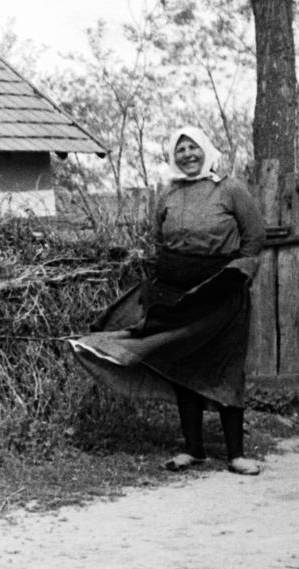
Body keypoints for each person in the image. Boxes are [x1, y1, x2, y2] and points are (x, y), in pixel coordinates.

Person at [71, 126, 267, 476]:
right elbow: (158, 238)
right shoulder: (168, 193)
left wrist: (239, 273)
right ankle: (194, 450)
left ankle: (236, 454)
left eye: (194, 148)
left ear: (207, 150)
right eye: (181, 150)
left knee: (225, 368)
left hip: (221, 292)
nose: (188, 155)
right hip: (177, 294)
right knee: (182, 368)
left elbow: (254, 238)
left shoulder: (231, 189)